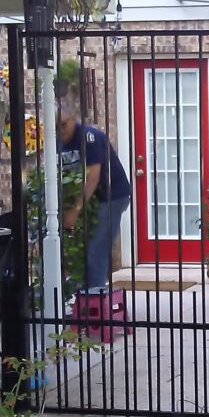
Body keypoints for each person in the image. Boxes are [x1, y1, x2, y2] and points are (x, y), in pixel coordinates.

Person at [56, 99, 131, 290]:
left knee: (96, 250)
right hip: (90, 198)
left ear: (73, 119)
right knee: (82, 250)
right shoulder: (58, 142)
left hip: (111, 196)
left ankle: (93, 304)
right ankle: (85, 296)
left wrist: (74, 211)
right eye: (55, 126)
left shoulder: (89, 137)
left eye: (64, 124)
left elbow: (93, 177)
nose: (60, 130)